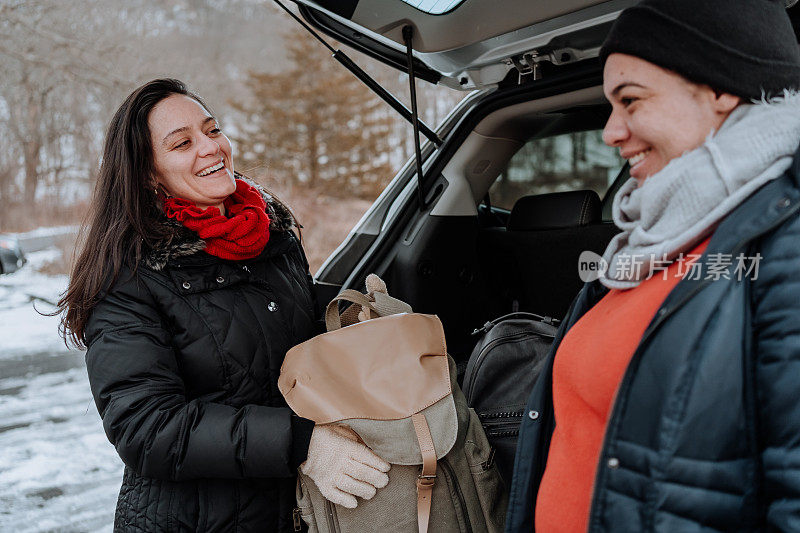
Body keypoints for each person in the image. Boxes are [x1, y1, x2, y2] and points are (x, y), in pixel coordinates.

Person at [505, 1, 800, 531]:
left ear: (720, 89)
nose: (611, 132)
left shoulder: (785, 243)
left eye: (631, 101)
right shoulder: (643, 246)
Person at [58, 78, 389, 532]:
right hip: (194, 519)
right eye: (182, 144)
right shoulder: (129, 276)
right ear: (148, 173)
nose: (211, 149)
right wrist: (301, 445)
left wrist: (360, 328)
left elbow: (290, 353)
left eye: (212, 130)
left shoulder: (270, 236)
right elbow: (147, 428)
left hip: (292, 508)